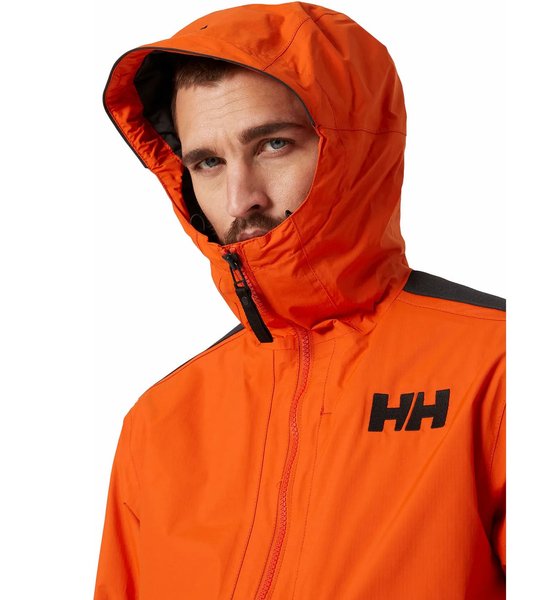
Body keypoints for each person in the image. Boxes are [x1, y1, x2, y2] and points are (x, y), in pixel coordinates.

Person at [95, 3, 506, 599]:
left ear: (356, 148)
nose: (240, 199)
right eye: (208, 162)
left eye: (273, 144)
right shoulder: (160, 423)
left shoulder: (500, 366)